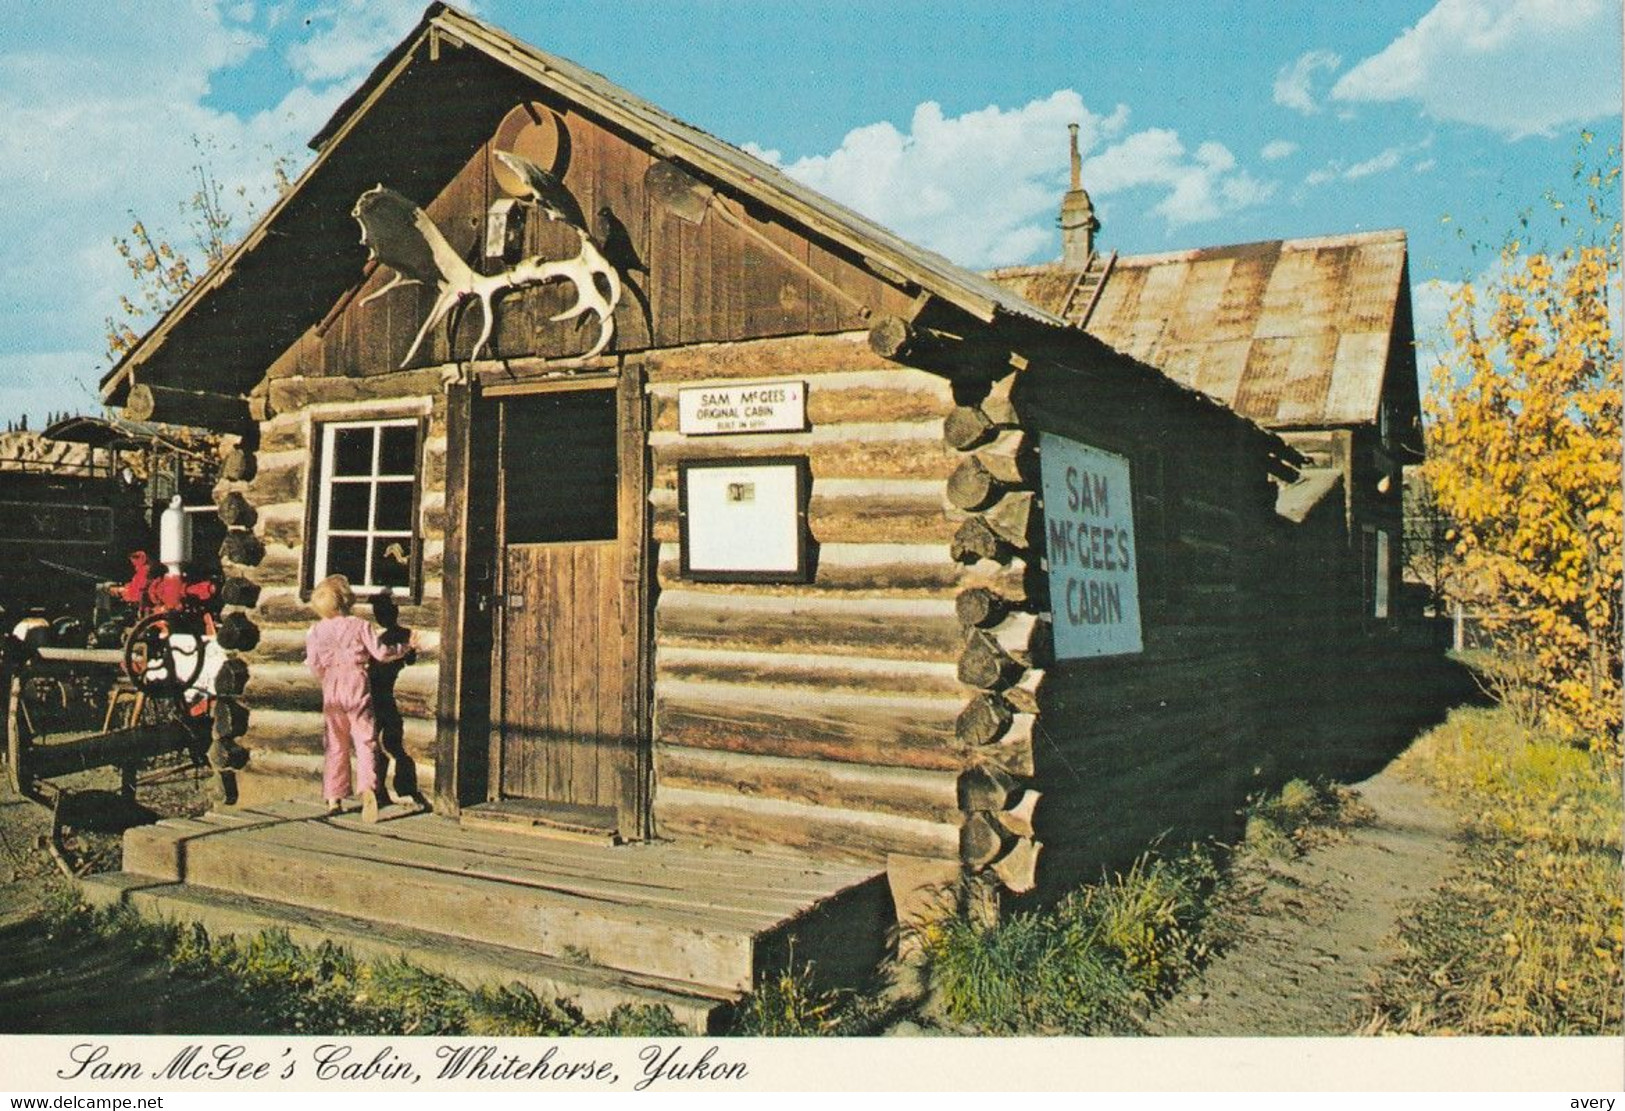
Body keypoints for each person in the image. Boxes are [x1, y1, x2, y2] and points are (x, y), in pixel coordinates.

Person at [304, 574, 417, 822]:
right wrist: (405, 648)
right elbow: (381, 653)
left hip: (332, 686)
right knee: (365, 739)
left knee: (335, 743)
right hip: (356, 683)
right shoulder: (360, 625)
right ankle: (369, 788)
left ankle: (334, 797)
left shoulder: (315, 631)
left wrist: (327, 678)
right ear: (347, 600)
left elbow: (314, 665)